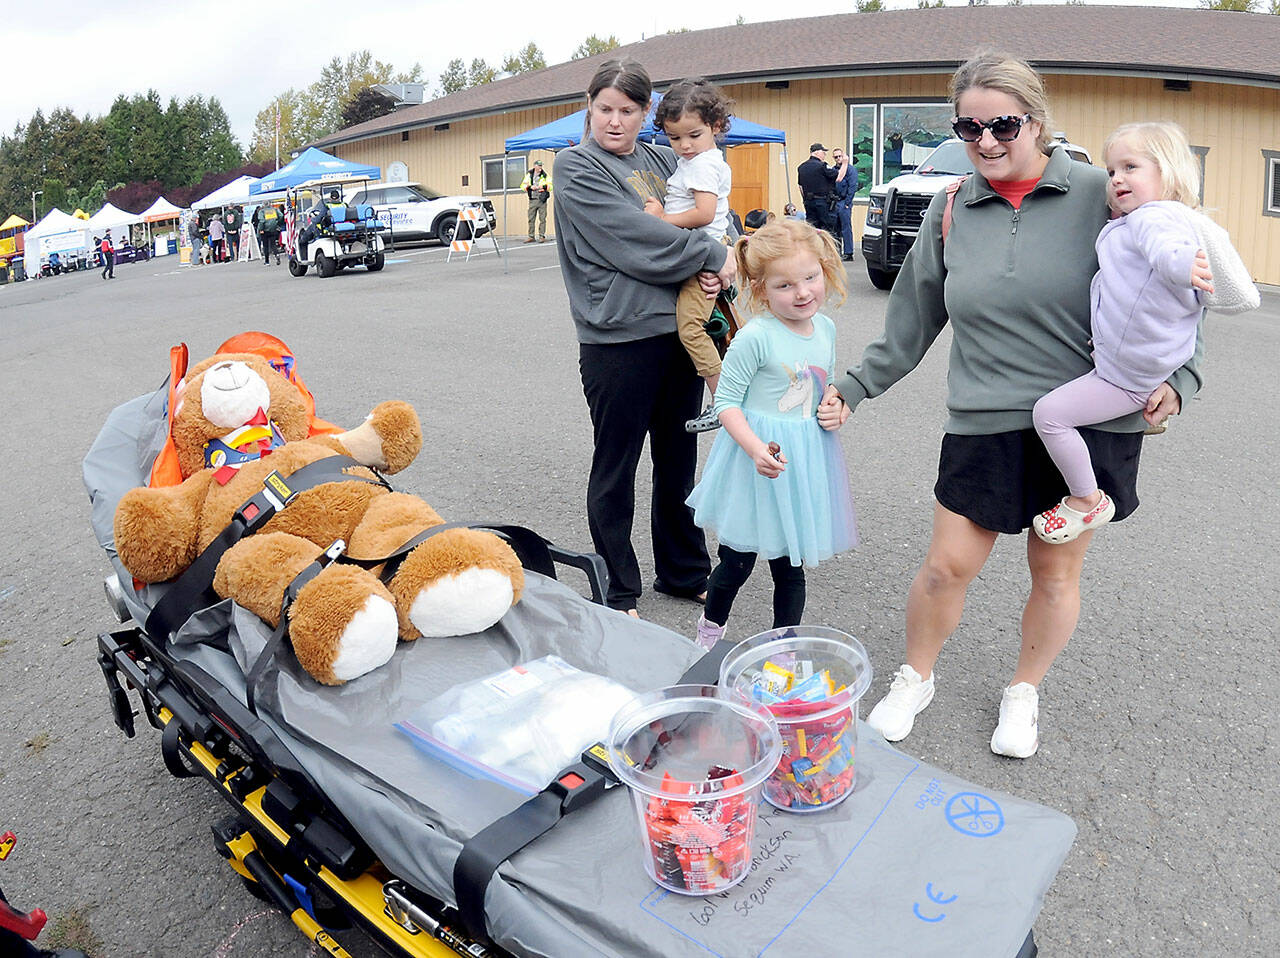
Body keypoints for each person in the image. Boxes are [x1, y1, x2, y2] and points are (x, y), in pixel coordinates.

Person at [817, 51, 1204, 759]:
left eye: (1004, 124)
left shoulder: (1100, 192)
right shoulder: (950, 208)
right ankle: (916, 677)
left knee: (1055, 572)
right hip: (985, 418)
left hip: (1090, 420)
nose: (987, 141)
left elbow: (1177, 288)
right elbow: (911, 321)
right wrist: (853, 386)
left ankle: (1023, 691)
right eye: (969, 127)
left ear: (1037, 120)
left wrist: (1183, 380)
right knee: (945, 566)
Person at [553, 58, 736, 617]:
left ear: (646, 113)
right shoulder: (576, 168)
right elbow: (636, 241)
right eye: (604, 108)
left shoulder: (663, 158)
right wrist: (713, 256)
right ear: (589, 107)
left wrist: (725, 252)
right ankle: (616, 588)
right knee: (617, 464)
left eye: (627, 111)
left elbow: (712, 217)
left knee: (678, 461)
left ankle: (683, 572)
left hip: (677, 336)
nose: (614, 121)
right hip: (617, 340)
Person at [1032, 122, 1217, 545]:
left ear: (1167, 173)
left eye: (1130, 167)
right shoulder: (1140, 221)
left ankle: (1086, 499)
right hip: (1135, 367)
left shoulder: (1155, 220)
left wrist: (1182, 265)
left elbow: (1165, 251)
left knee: (1050, 415)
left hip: (1124, 376)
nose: (1116, 179)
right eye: (1112, 170)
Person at [687, 220, 857, 648]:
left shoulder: (826, 330)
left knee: (790, 564)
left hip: (802, 460)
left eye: (810, 278)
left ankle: (783, 648)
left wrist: (839, 408)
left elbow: (825, 387)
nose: (802, 293)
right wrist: (755, 448)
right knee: (737, 562)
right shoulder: (755, 338)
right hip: (754, 461)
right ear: (761, 290)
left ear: (825, 271)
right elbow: (725, 402)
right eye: (784, 285)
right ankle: (708, 638)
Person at [642, 77, 735, 435]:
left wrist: (663, 219)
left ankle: (723, 399)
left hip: (699, 260)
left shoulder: (701, 165)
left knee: (691, 329)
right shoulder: (703, 160)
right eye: (674, 137)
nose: (684, 145)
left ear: (715, 126)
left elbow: (705, 213)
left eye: (694, 135)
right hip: (701, 256)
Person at [797, 143, 837, 231]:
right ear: (816, 152)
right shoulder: (822, 166)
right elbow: (836, 175)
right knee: (827, 229)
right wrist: (845, 164)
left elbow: (800, 186)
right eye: (823, 152)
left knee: (812, 228)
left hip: (808, 202)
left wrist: (805, 200)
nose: (825, 155)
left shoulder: (801, 167)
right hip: (822, 202)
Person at [831, 147, 859, 261]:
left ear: (844, 157)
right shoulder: (833, 170)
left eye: (840, 156)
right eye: (836, 157)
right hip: (835, 202)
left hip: (844, 201)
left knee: (846, 227)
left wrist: (847, 203)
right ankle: (837, 251)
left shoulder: (850, 170)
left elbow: (852, 187)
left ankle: (848, 253)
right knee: (835, 228)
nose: (838, 159)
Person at [520, 159, 552, 243]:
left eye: (541, 165)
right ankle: (531, 236)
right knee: (531, 219)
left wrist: (543, 187)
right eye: (539, 165)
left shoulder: (545, 175)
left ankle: (542, 236)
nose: (540, 167)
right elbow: (522, 186)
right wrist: (530, 187)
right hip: (532, 200)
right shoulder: (529, 174)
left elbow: (551, 186)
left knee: (542, 219)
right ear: (535, 166)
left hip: (542, 200)